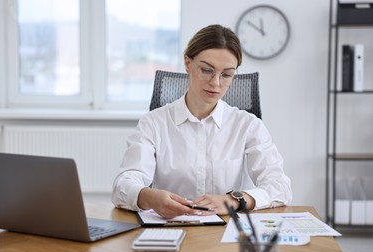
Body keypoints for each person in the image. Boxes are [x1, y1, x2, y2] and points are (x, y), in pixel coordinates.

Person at [111, 24, 292, 219]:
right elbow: (123, 184)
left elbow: (280, 187)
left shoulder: (248, 125)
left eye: (226, 74)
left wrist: (233, 200)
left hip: (229, 233)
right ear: (187, 63)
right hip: (172, 228)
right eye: (206, 70)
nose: (215, 83)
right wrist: (148, 196)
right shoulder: (153, 123)